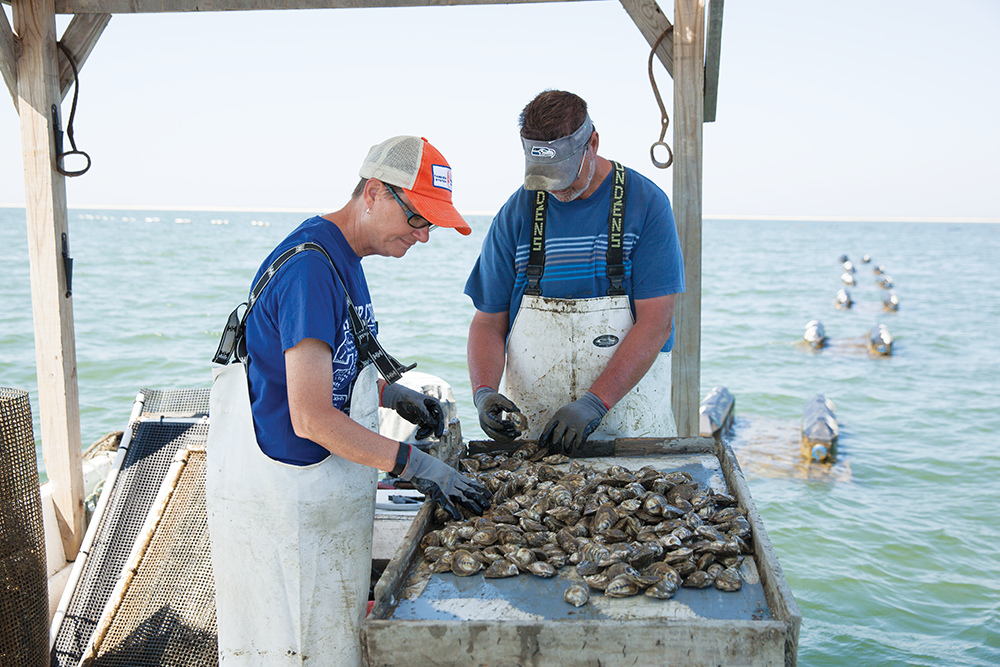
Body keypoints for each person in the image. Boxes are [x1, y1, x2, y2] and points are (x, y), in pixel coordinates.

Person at [206, 136, 490, 667]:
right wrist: (413, 462)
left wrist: (390, 393)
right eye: (418, 219)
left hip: (319, 497)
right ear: (376, 192)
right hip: (282, 506)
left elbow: (322, 368)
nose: (424, 237)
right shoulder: (311, 267)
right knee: (287, 648)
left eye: (432, 224)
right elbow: (310, 415)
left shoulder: (344, 257)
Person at [465, 90, 686, 453]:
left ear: (592, 144)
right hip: (535, 434)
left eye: (564, 174)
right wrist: (485, 392)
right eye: (544, 177)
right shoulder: (516, 213)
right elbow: (488, 322)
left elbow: (656, 323)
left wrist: (594, 403)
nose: (556, 188)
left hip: (628, 430)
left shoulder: (647, 205)